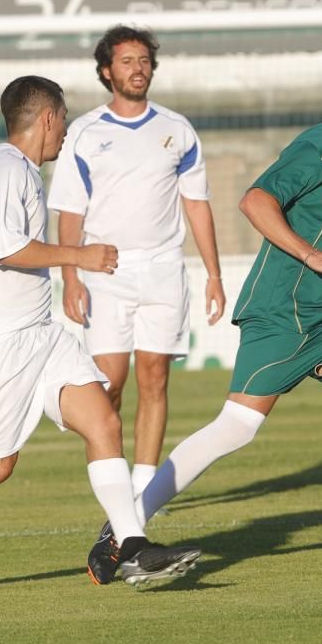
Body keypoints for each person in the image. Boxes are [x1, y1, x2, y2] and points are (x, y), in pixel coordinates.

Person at [89, 43, 322, 580]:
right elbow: (255, 200)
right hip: (285, 308)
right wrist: (311, 255)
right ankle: (122, 527)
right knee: (236, 428)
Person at [0, 76, 201, 601]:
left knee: (103, 420)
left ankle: (131, 543)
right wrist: (81, 256)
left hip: (40, 334)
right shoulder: (7, 168)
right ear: (47, 118)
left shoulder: (3, 168)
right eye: (64, 120)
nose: (66, 132)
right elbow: (5, 250)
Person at [48, 26, 225, 508]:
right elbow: (69, 211)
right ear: (107, 71)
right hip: (105, 273)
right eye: (127, 61)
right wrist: (69, 277)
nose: (137, 68)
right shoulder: (84, 133)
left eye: (144, 60)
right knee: (107, 386)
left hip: (165, 269)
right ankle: (111, 475)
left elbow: (197, 205)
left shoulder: (178, 129)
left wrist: (213, 274)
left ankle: (142, 490)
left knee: (155, 377)